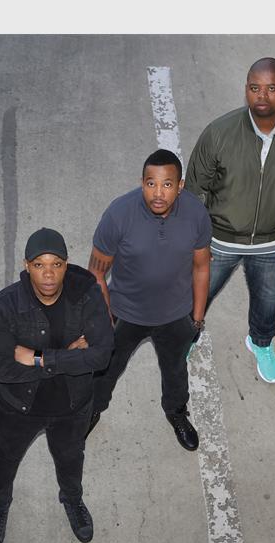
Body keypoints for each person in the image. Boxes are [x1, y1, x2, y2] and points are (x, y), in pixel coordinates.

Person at [185, 57, 275, 383]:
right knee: (195, 294)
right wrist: (195, 241)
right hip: (219, 240)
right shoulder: (219, 133)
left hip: (273, 243)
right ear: (246, 90)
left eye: (271, 88)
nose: (262, 96)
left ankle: (260, 343)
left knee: (268, 299)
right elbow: (195, 190)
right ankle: (186, 336)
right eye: (255, 88)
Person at [0, 227, 114, 543]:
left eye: (56, 264)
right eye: (39, 265)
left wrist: (39, 358)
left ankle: (72, 499)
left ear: (66, 265)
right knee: (5, 458)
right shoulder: (4, 305)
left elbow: (101, 355)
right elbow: (3, 368)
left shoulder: (87, 295)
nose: (49, 274)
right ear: (27, 266)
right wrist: (72, 356)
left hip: (72, 406)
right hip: (18, 406)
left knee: (71, 458)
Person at [87, 149, 212, 451]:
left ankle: (176, 413)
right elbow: (96, 272)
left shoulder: (196, 214)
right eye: (150, 184)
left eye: (167, 184)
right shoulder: (119, 214)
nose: (158, 193)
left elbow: (201, 267)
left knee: (175, 371)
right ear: (142, 182)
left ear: (180, 186)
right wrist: (104, 319)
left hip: (175, 315)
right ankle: (90, 411)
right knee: (105, 371)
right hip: (125, 313)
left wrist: (196, 318)